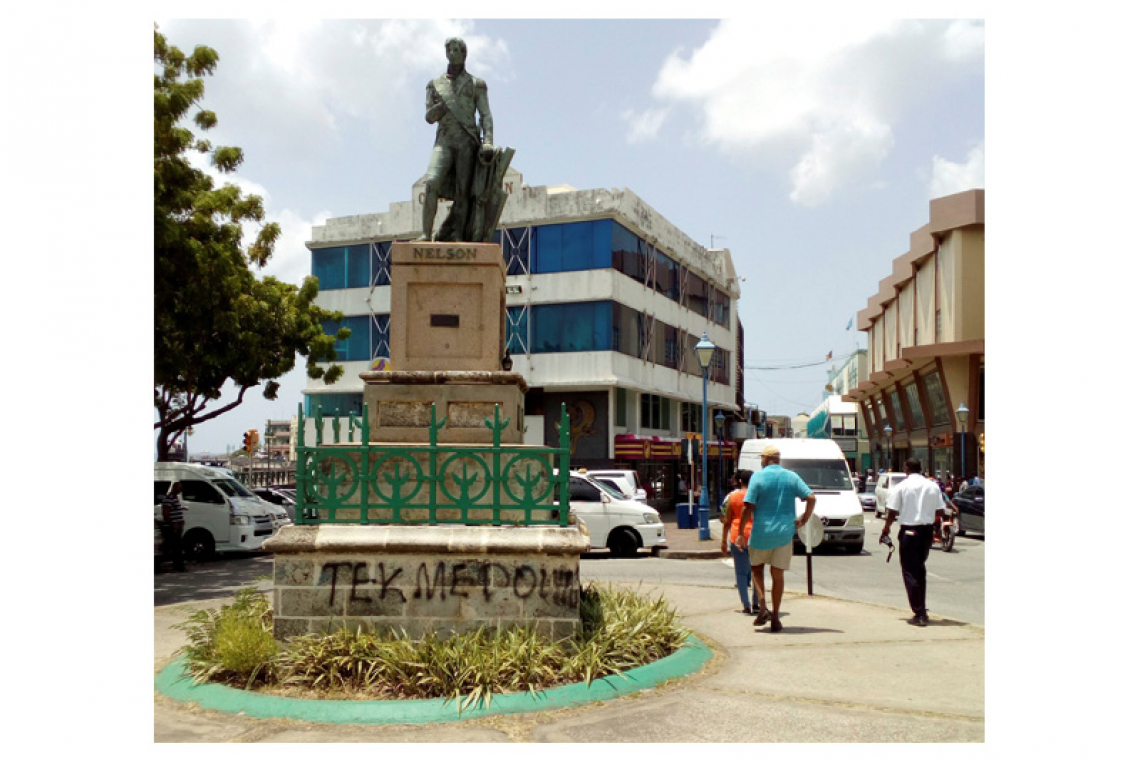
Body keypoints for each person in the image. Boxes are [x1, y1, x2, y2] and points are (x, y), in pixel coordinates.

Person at [419, 37, 502, 242]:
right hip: (444, 140)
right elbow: (429, 117)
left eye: (458, 50)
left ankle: (457, 234)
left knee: (463, 192)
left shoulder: (477, 84)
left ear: (464, 54)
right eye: (451, 50)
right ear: (446, 53)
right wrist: (442, 106)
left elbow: (485, 116)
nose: (454, 53)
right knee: (431, 182)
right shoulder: (435, 85)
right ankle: (425, 234)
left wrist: (488, 141)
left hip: (467, 141)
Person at [735, 445, 817, 633]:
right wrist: (804, 519)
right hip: (784, 534)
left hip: (761, 533)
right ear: (777, 459)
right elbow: (811, 498)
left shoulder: (757, 476)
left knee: (756, 569)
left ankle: (763, 605)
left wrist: (740, 532)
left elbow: (748, 506)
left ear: (765, 459)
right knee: (777, 575)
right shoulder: (791, 476)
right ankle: (776, 617)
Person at [880, 457, 947, 626]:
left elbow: (893, 510)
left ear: (906, 468)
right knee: (920, 570)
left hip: (909, 531)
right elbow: (940, 509)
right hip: (926, 532)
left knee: (910, 572)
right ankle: (921, 607)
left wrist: (886, 528)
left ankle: (919, 612)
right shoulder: (932, 486)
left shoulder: (902, 486)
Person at [721, 470, 760, 614]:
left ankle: (746, 605)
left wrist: (723, 540)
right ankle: (757, 602)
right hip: (756, 535)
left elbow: (727, 520)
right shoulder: (757, 496)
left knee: (741, 572)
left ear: (740, 481)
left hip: (738, 535)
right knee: (757, 570)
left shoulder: (733, 497)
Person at [160, 482, 187, 572]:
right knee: (176, 547)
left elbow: (175, 509)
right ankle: (178, 566)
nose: (180, 490)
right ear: (174, 488)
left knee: (178, 546)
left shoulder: (175, 498)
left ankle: (178, 565)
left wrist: (181, 520)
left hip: (178, 526)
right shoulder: (168, 498)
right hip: (171, 527)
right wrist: (173, 524)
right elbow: (165, 513)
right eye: (179, 488)